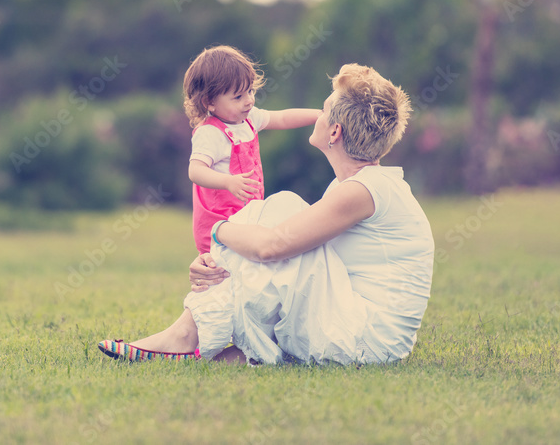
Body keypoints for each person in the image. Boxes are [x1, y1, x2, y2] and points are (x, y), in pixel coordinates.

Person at [98, 63, 434, 366]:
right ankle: (226, 346)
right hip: (357, 324)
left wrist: (218, 233)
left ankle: (186, 337)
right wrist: (216, 260)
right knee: (278, 222)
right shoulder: (354, 187)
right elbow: (289, 262)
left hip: (369, 341)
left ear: (334, 132)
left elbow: (271, 247)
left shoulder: (363, 190)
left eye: (325, 109)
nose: (319, 113)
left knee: (281, 208)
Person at [182, 45, 319, 254]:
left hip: (246, 217)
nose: (249, 100)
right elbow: (195, 171)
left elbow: (282, 118)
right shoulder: (210, 133)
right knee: (225, 271)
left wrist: (319, 115)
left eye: (250, 91)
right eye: (238, 97)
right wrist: (228, 181)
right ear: (209, 102)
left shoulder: (249, 119)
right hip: (220, 223)